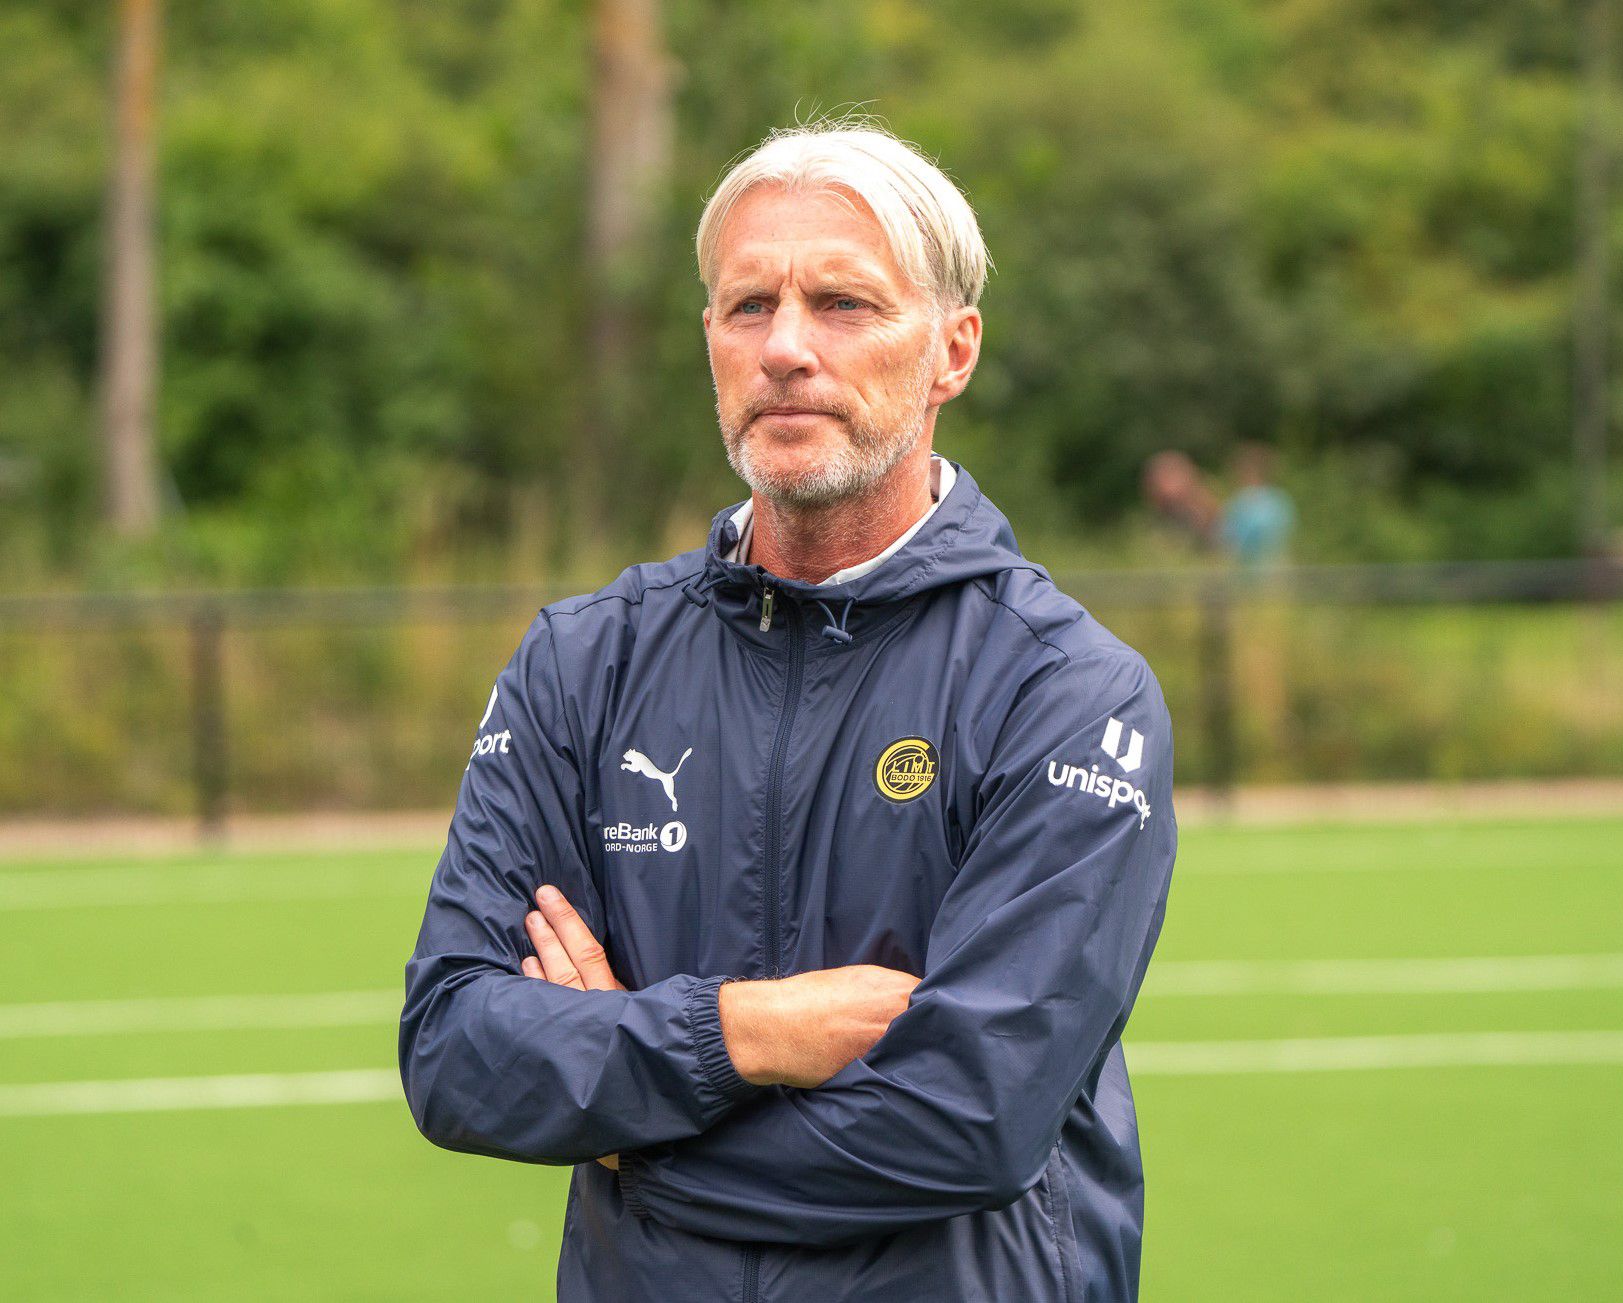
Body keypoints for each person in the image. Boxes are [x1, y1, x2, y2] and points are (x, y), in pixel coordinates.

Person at [398, 118, 1178, 1302]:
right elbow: (457, 1051)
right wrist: (744, 1030)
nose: (786, 348)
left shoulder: (1066, 691)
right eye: (748, 305)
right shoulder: (582, 661)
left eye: (844, 304)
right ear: (709, 339)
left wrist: (623, 1121)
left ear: (953, 351)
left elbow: (969, 1119)